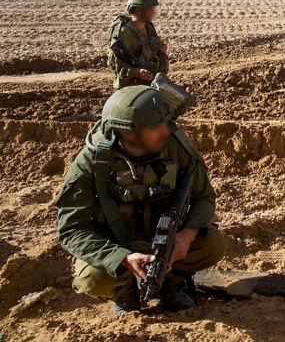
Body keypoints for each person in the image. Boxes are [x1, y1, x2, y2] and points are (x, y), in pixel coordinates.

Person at [56, 86, 226, 315]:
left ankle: (170, 281)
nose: (166, 131)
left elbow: (203, 197)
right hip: (114, 244)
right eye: (156, 127)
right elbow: (71, 229)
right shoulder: (91, 162)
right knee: (93, 279)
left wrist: (186, 235)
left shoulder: (175, 146)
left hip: (164, 238)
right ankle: (123, 292)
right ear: (127, 132)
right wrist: (122, 258)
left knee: (213, 244)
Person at [107, 0, 169, 89]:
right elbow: (115, 64)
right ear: (138, 11)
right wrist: (137, 73)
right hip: (132, 86)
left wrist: (161, 52)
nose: (153, 12)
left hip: (150, 82)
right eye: (150, 9)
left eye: (154, 9)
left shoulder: (148, 27)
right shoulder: (125, 32)